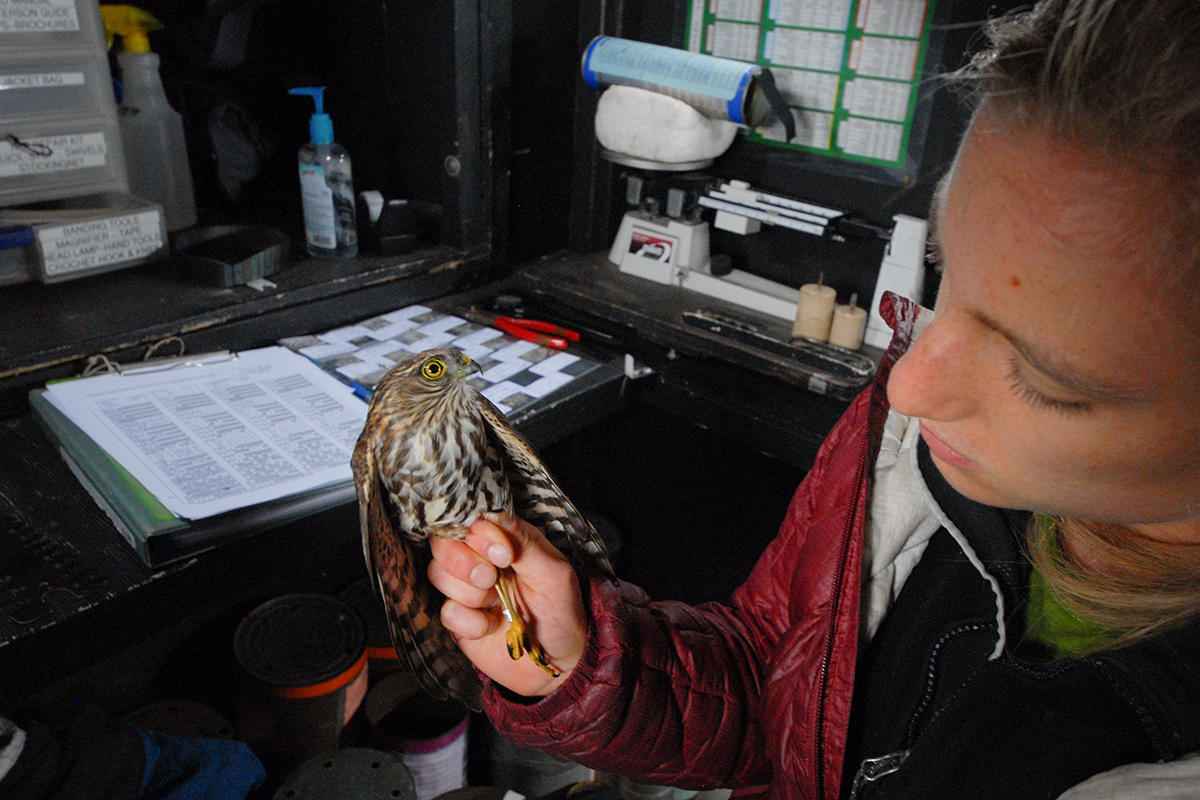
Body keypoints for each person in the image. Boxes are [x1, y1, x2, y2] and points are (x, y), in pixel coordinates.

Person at [429, 1, 1200, 797]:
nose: (908, 383)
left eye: (1042, 381)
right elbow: (786, 683)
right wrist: (587, 664)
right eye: (947, 279)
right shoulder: (913, 441)